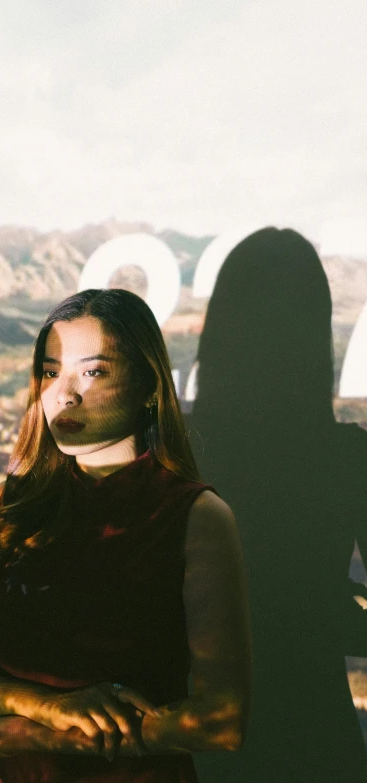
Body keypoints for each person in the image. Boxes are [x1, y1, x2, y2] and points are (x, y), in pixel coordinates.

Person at [0, 287, 251, 783]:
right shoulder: (5, 509)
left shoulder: (197, 516)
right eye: (52, 371)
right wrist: (43, 707)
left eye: (93, 372)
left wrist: (37, 735)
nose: (65, 393)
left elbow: (223, 722)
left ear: (148, 384)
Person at [188, 228, 367, 783]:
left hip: (193, 749)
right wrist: (332, 613)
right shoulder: (347, 459)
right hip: (316, 740)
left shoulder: (175, 450)